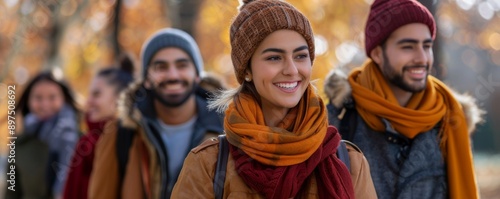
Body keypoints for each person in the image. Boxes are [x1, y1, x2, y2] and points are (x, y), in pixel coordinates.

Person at [171, 0, 376, 198]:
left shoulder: (348, 160)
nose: (292, 70)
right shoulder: (210, 164)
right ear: (247, 70)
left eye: (300, 56)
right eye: (274, 58)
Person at [324, 0, 480, 198]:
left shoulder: (448, 118)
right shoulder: (341, 118)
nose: (422, 58)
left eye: (427, 46)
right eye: (408, 47)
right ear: (378, 54)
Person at [89, 28, 224, 199]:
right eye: (161, 67)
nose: (172, 75)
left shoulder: (227, 131)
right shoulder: (120, 133)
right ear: (146, 80)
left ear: (197, 75)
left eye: (182, 65)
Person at [62, 55, 135, 199]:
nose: (88, 101)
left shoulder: (132, 141)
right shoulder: (85, 142)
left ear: (120, 98)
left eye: (96, 94)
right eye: (89, 94)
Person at [5, 71, 80, 199]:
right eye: (38, 98)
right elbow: (11, 191)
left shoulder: (82, 141)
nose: (45, 105)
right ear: (28, 100)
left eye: (52, 97)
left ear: (64, 99)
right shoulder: (19, 145)